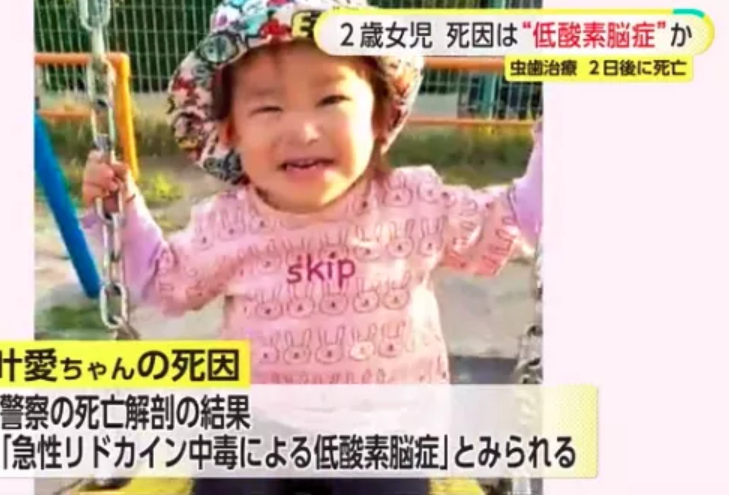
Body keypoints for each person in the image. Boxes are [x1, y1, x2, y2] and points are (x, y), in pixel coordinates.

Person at [81, 0, 542, 492]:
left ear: (380, 116)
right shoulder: (227, 224)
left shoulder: (416, 204)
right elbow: (162, 281)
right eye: (269, 108)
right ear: (231, 131)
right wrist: (120, 210)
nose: (302, 131)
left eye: (331, 100)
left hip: (386, 430)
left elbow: (516, 216)